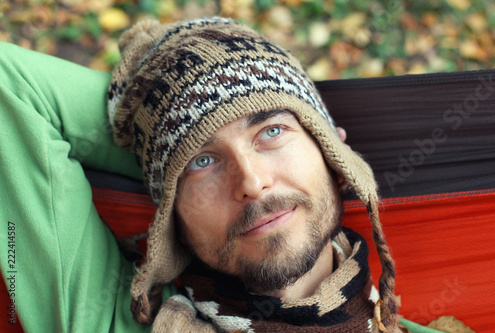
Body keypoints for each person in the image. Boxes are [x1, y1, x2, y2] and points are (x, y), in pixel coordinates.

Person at [1, 16, 448, 333]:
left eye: (272, 131)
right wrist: (155, 158)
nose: (251, 182)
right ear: (170, 219)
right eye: (202, 162)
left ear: (333, 151)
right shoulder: (100, 320)